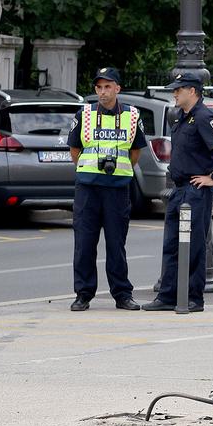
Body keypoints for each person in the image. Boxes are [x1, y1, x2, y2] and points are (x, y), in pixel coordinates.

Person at [143, 73, 213, 313]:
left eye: (178, 89)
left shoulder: (204, 117)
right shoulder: (182, 117)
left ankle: (194, 298)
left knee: (193, 245)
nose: (174, 93)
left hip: (195, 190)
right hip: (178, 188)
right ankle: (168, 296)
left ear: (192, 91)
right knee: (172, 244)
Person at [68, 67, 147, 311]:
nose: (102, 92)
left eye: (107, 87)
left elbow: (135, 152)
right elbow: (74, 150)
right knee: (84, 243)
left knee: (116, 244)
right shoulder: (85, 114)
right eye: (99, 87)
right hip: (88, 189)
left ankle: (122, 294)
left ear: (117, 88)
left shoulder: (132, 116)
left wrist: (121, 171)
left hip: (117, 189)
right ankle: (83, 294)